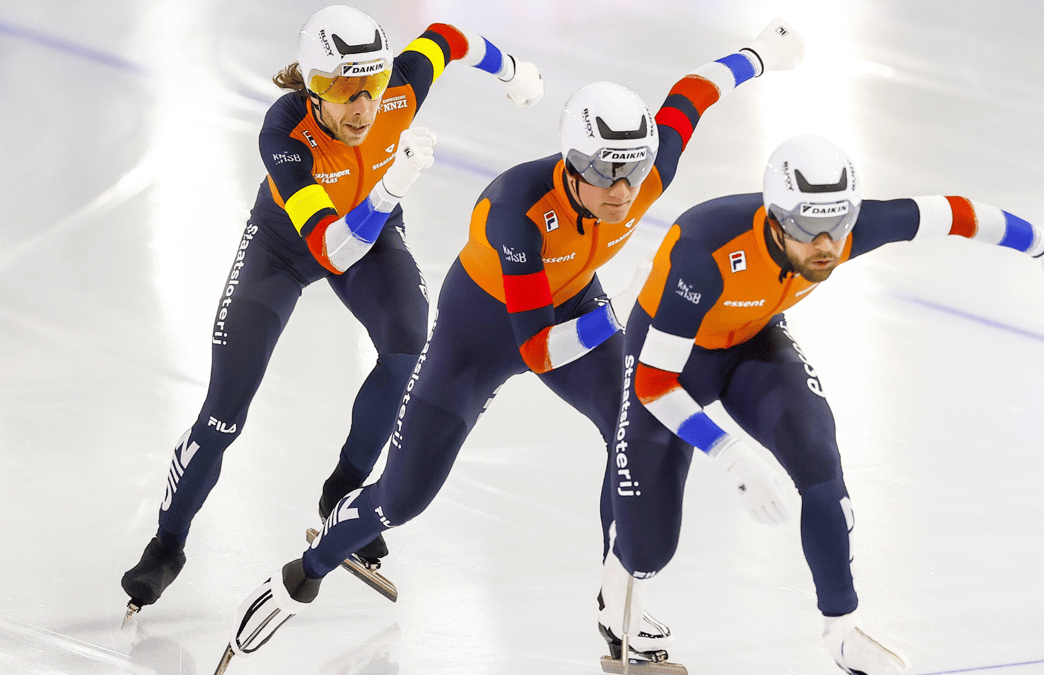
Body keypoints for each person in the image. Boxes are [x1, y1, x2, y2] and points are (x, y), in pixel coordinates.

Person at [218, 19, 809, 663]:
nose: (623, 192)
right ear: (572, 167)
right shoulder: (516, 211)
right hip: (485, 333)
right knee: (403, 498)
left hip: (574, 301)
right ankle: (305, 570)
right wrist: (624, 318)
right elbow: (538, 350)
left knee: (635, 428)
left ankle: (623, 604)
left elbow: (694, 93)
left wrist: (760, 55)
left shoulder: (644, 170)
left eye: (634, 172)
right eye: (607, 174)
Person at [600, 134, 1044, 674]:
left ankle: (842, 632)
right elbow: (654, 384)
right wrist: (730, 454)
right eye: (807, 230)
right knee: (649, 548)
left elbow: (952, 213)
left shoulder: (845, 228)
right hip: (671, 355)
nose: (825, 246)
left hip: (754, 341)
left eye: (836, 228)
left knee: (817, 454)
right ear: (773, 221)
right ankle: (617, 590)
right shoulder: (705, 252)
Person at [120, 4, 543, 619]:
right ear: (313, 89)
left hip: (371, 233)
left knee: (408, 339)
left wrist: (511, 70)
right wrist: (391, 187)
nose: (363, 107)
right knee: (223, 416)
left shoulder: (398, 85)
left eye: (371, 88)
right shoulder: (284, 131)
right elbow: (330, 249)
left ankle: (345, 487)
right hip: (288, 245)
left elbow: (448, 39)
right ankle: (166, 543)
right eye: (345, 92)